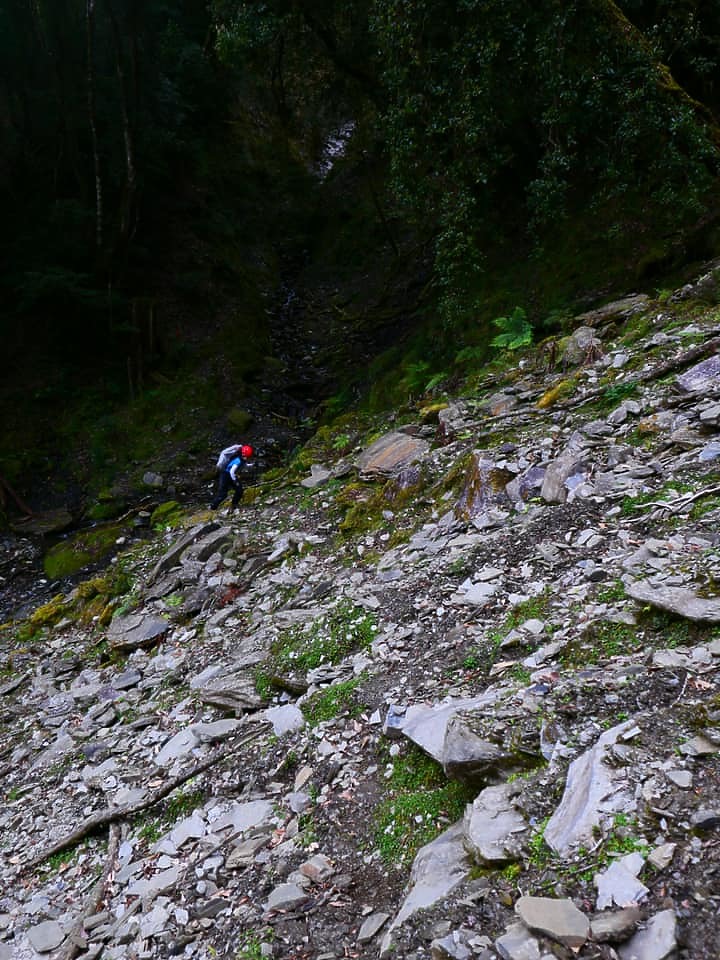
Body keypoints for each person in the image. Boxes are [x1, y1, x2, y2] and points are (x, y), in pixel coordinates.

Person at [211, 444, 254, 510]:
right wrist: (235, 481)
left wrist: (251, 465)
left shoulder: (241, 458)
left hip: (229, 475)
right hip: (225, 475)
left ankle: (234, 505)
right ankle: (213, 507)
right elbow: (232, 471)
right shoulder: (238, 460)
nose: (248, 458)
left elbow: (244, 465)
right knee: (223, 494)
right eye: (248, 457)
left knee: (239, 490)